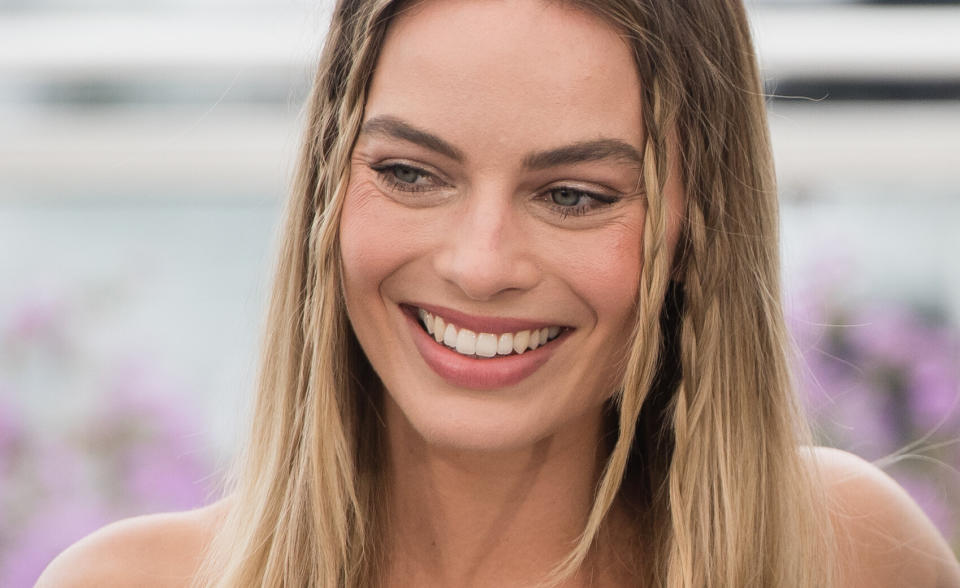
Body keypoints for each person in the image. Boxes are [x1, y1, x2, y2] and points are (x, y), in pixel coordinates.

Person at [38, 0, 960, 586]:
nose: (481, 265)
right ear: (327, 186)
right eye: (410, 173)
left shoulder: (844, 554)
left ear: (697, 225)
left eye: (572, 196)